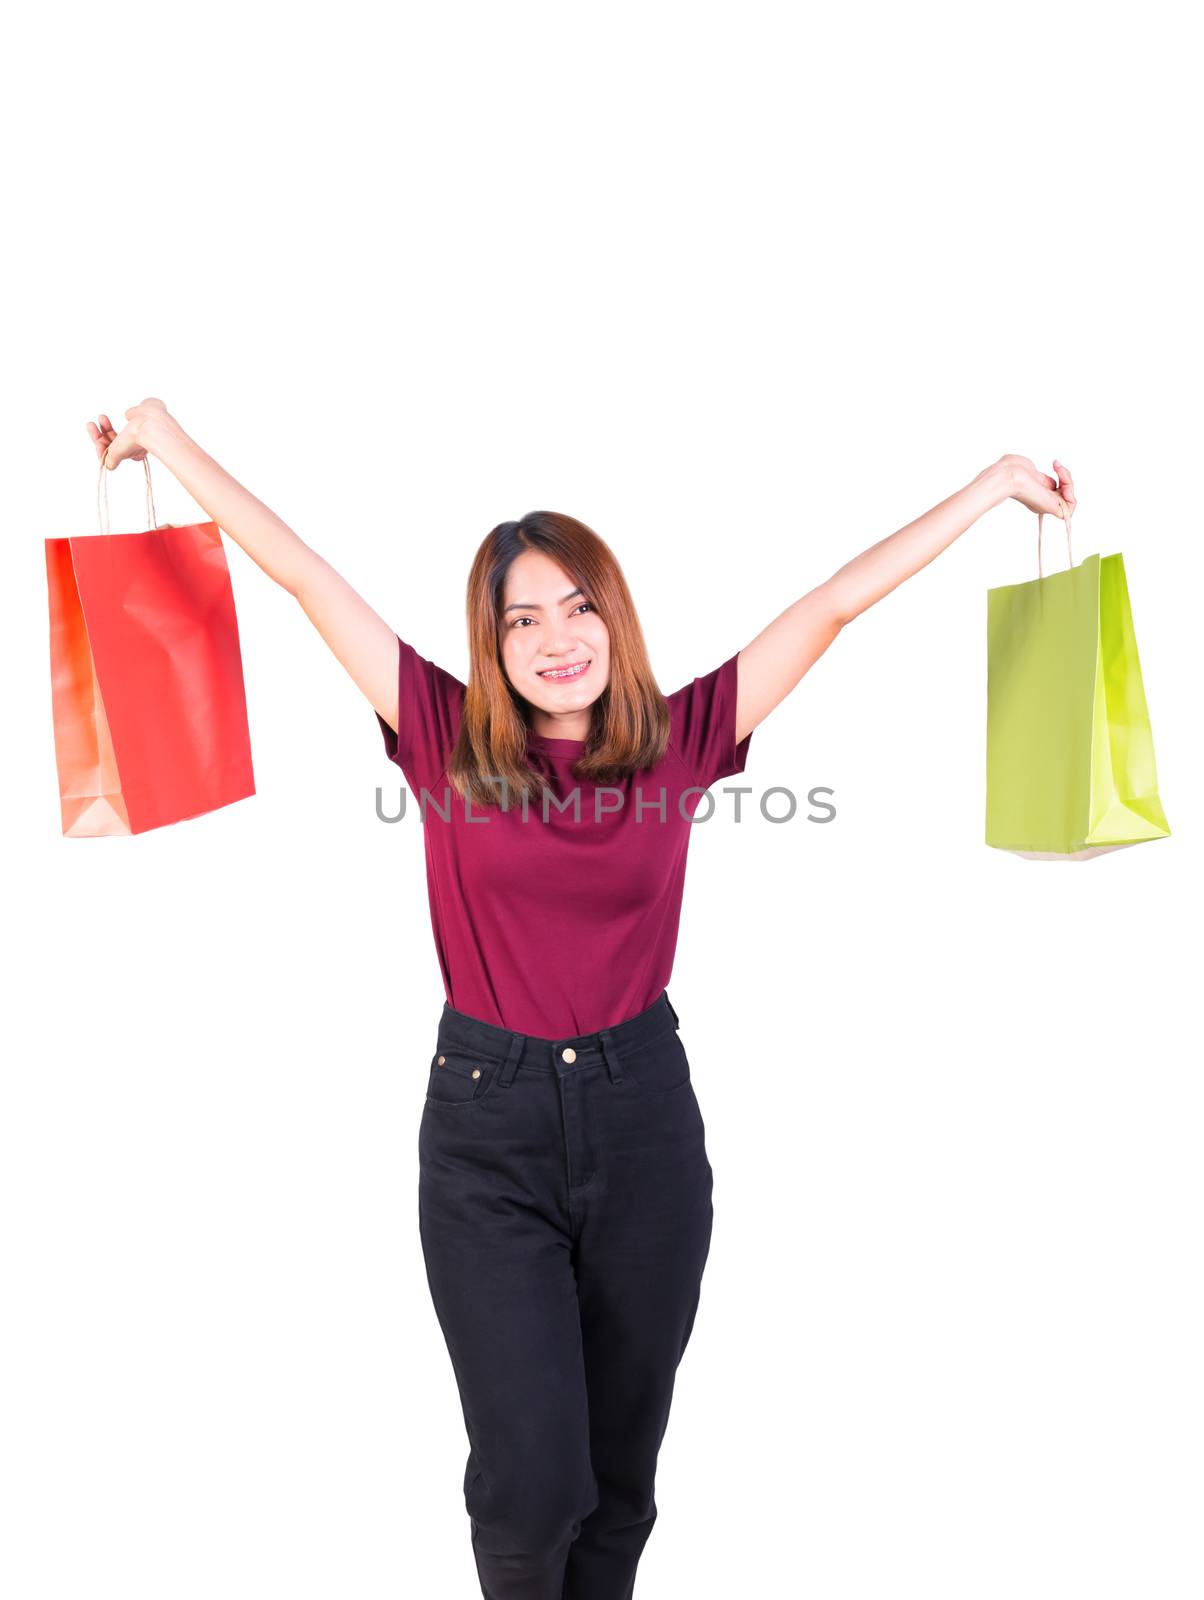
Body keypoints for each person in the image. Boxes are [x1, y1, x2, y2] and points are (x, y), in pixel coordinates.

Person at [87, 400, 1074, 1599]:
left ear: (612, 617)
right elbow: (301, 573)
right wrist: (165, 440)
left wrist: (989, 487)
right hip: (485, 1133)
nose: (556, 637)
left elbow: (831, 603)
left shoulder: (680, 737)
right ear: (491, 643)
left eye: (577, 605)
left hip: (643, 1121)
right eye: (522, 617)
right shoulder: (442, 731)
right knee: (530, 1483)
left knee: (619, 1481)